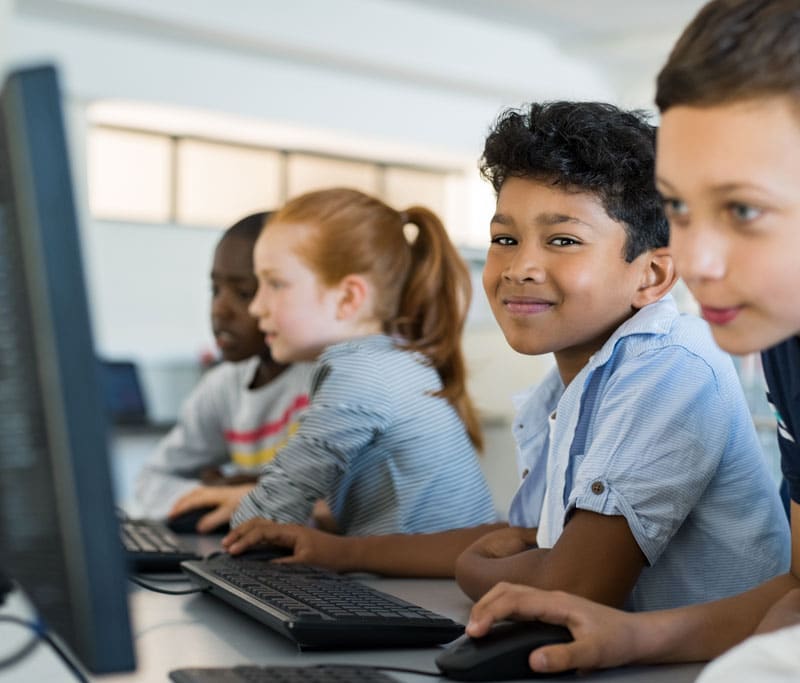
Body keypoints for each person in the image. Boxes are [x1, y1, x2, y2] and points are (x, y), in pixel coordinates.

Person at [223, 103, 789, 617]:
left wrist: (474, 569)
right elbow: (524, 538)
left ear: (654, 275)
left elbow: (572, 584)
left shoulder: (669, 365)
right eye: (505, 239)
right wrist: (341, 552)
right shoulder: (568, 385)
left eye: (563, 241)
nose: (520, 267)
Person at [465, 1, 800, 680]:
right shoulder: (787, 348)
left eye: (742, 209)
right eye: (679, 207)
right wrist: (633, 638)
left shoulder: (675, 360)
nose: (697, 260)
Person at [223, 188, 497, 536]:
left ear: (349, 297)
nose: (256, 307)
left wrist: (242, 517)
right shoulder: (393, 359)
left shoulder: (361, 374)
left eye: (275, 284)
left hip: (422, 588)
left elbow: (265, 519)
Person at [135, 211, 314, 532]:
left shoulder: (326, 381)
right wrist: (220, 495)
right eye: (215, 290)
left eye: (244, 293)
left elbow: (335, 506)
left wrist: (254, 492)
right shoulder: (224, 386)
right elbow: (150, 481)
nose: (220, 309)